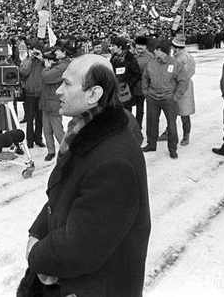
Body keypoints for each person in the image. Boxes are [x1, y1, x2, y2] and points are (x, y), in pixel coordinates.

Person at [24, 55, 150, 297]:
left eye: (67, 84)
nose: (58, 91)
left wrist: (36, 255)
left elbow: (81, 248)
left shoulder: (114, 161)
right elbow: (63, 196)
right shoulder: (84, 133)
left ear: (93, 95)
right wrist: (36, 232)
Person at [141, 40, 187, 159]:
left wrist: (175, 97)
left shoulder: (175, 64)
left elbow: (183, 81)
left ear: (162, 52)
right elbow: (145, 78)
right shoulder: (151, 63)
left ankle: (172, 148)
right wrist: (146, 92)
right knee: (151, 122)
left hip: (168, 99)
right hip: (152, 98)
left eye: (157, 49)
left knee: (171, 124)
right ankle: (151, 144)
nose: (154, 51)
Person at [163, 34, 196, 146]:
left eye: (175, 48)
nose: (173, 50)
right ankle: (168, 131)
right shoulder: (175, 57)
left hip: (183, 89)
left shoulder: (186, 58)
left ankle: (186, 135)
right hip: (172, 87)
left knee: (184, 113)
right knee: (171, 112)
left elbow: (184, 75)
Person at [39, 45, 70, 162]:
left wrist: (46, 67)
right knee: (46, 130)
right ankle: (51, 151)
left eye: (57, 51)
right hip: (46, 101)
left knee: (57, 130)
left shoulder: (63, 66)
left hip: (54, 102)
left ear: (64, 52)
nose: (55, 52)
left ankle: (66, 152)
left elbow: (46, 77)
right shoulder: (58, 65)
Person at [19, 42, 45, 149]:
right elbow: (23, 72)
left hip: (40, 93)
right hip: (29, 93)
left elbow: (49, 68)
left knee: (39, 118)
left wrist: (41, 58)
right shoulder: (26, 60)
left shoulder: (43, 62)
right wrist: (30, 59)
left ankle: (38, 138)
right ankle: (29, 140)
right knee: (29, 118)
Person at [108, 36, 141, 112]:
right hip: (116, 92)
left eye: (114, 46)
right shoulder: (113, 58)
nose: (112, 48)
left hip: (126, 93)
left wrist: (128, 85)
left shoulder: (130, 58)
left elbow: (136, 74)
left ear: (120, 47)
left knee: (127, 114)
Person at [133, 36, 153, 128]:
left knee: (139, 109)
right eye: (138, 44)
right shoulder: (131, 55)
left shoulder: (149, 58)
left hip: (141, 87)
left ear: (146, 47)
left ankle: (138, 126)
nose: (140, 47)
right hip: (129, 87)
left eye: (142, 45)